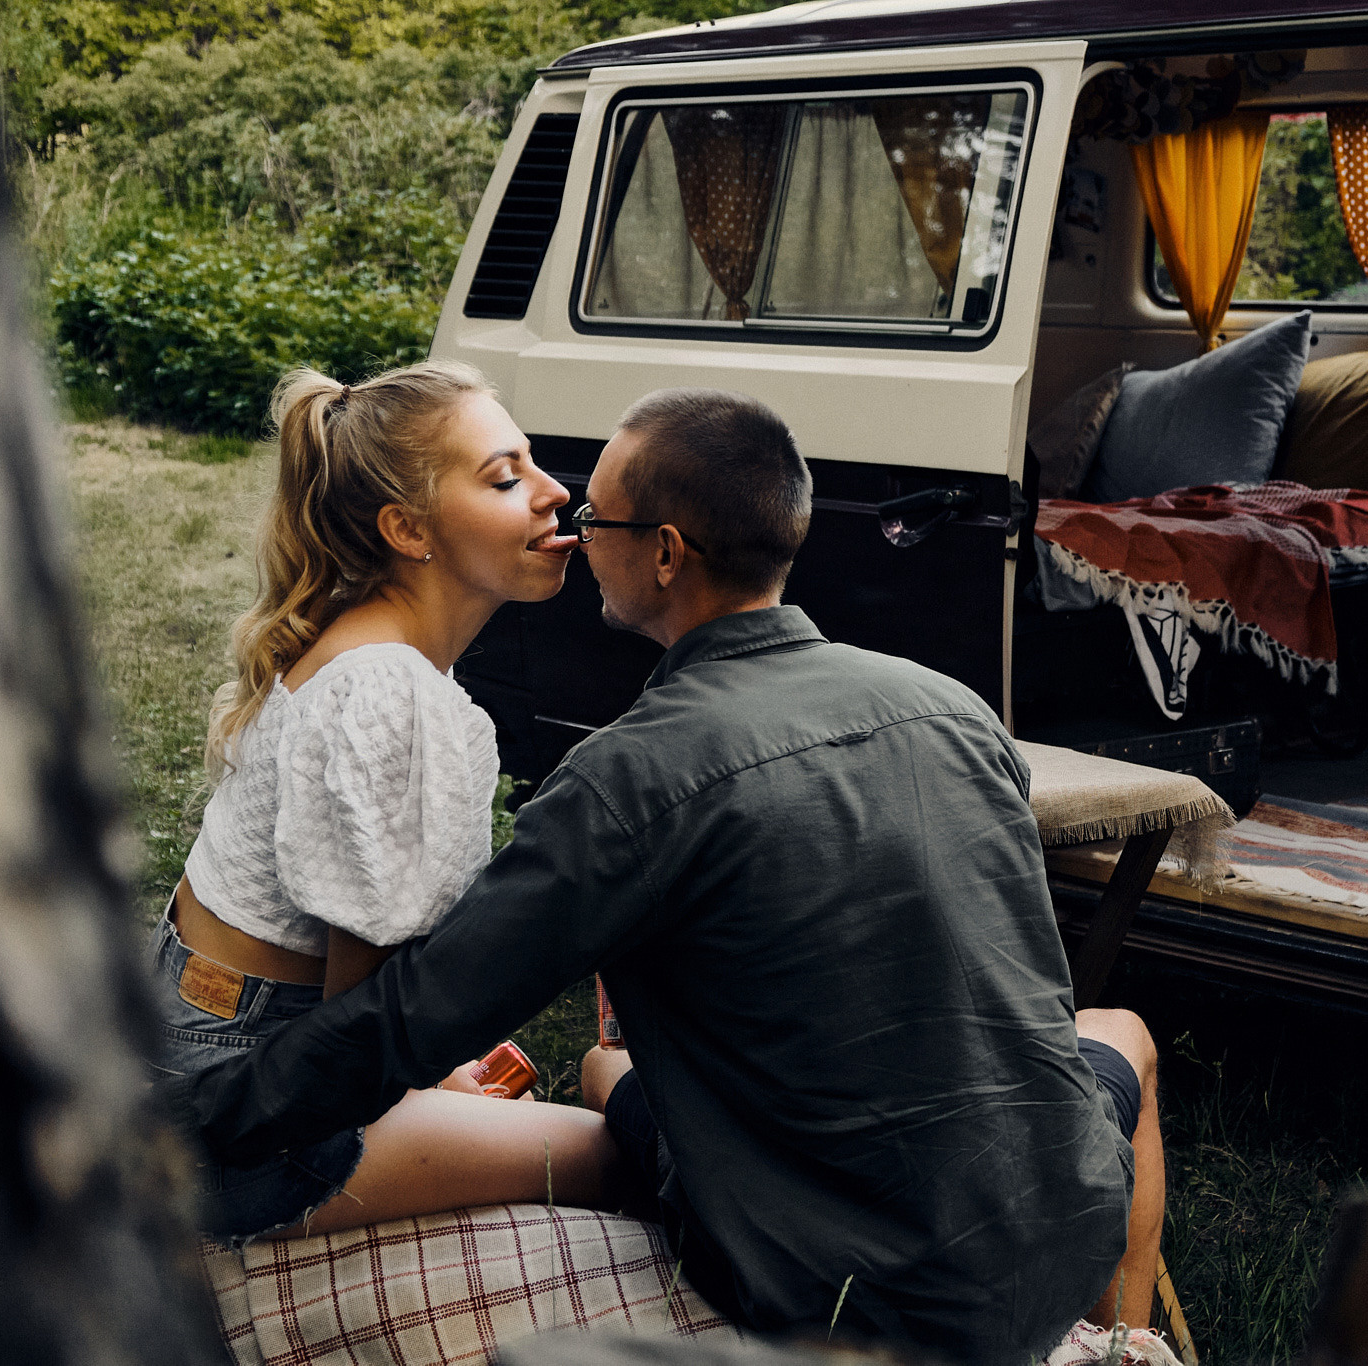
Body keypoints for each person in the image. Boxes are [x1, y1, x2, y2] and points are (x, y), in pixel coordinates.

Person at [162, 387, 1165, 1363]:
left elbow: (410, 1015)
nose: (568, 514)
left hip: (829, 1272)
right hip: (1049, 1226)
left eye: (596, 514)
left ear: (666, 554)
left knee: (612, 1084)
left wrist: (184, 1125)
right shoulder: (952, 709)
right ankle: (1120, 1344)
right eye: (515, 478)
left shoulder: (633, 778)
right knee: (1119, 1033)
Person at [148, 361, 617, 1249]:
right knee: (623, 1153)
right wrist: (432, 1087)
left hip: (202, 1035)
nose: (558, 493)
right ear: (407, 528)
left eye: (532, 463)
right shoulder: (392, 692)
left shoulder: (369, 642)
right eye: (505, 478)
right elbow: (358, 1036)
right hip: (251, 1100)